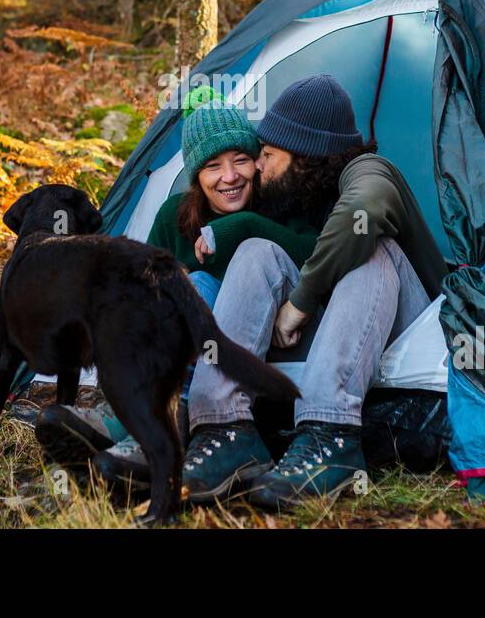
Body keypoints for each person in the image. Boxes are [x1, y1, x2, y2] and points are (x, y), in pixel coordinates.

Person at [181, 74, 450, 509]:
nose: (259, 166)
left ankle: (330, 436)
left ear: (303, 153)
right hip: (345, 348)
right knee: (256, 252)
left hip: (413, 344)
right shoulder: (294, 198)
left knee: (369, 244)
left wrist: (299, 304)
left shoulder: (368, 170)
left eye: (267, 154)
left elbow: (363, 210)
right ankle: (223, 427)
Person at [35, 90, 320, 485]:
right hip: (192, 362)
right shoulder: (175, 217)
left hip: (266, 358)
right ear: (196, 178)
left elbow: (314, 256)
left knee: (197, 283)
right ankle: (126, 425)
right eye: (213, 167)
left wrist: (244, 229)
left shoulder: (279, 201)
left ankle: (146, 428)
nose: (230, 177)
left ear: (256, 163)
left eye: (240, 160)